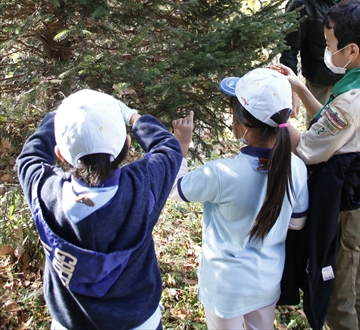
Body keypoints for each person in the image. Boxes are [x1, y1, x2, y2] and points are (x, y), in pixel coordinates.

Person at [17, 88, 182, 330]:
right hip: (138, 321)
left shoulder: (45, 194)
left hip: (71, 323)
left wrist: (57, 116)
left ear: (60, 154)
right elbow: (168, 147)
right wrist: (133, 117)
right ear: (126, 145)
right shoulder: (142, 186)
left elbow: (28, 158)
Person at [277, 0, 360, 330]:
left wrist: (282, 127)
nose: (328, 49)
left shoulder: (349, 102)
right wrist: (300, 87)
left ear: (352, 50)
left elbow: (311, 149)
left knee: (335, 295)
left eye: (330, 44)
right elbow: (331, 122)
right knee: (354, 283)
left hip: (342, 208)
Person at [170, 68, 309, 330]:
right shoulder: (297, 168)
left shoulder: (221, 174)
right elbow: (297, 223)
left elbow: (177, 190)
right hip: (266, 284)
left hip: (225, 289)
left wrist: (182, 145)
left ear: (242, 125)